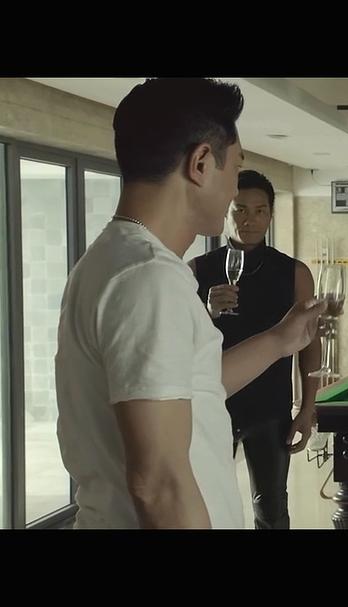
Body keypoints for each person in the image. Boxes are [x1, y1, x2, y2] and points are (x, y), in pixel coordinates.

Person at [54, 78, 323, 529]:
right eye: (235, 167)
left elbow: (192, 384)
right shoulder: (148, 278)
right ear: (200, 164)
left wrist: (280, 339)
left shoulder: (120, 259)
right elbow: (159, 485)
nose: (235, 190)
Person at [190, 169, 320, 529]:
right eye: (241, 210)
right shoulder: (197, 270)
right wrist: (207, 311)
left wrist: (307, 408)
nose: (250, 220)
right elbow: (178, 341)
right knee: (208, 505)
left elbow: (310, 343)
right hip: (212, 407)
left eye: (260, 211)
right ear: (227, 211)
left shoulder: (294, 272)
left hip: (271, 408)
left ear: (270, 215)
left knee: (272, 510)